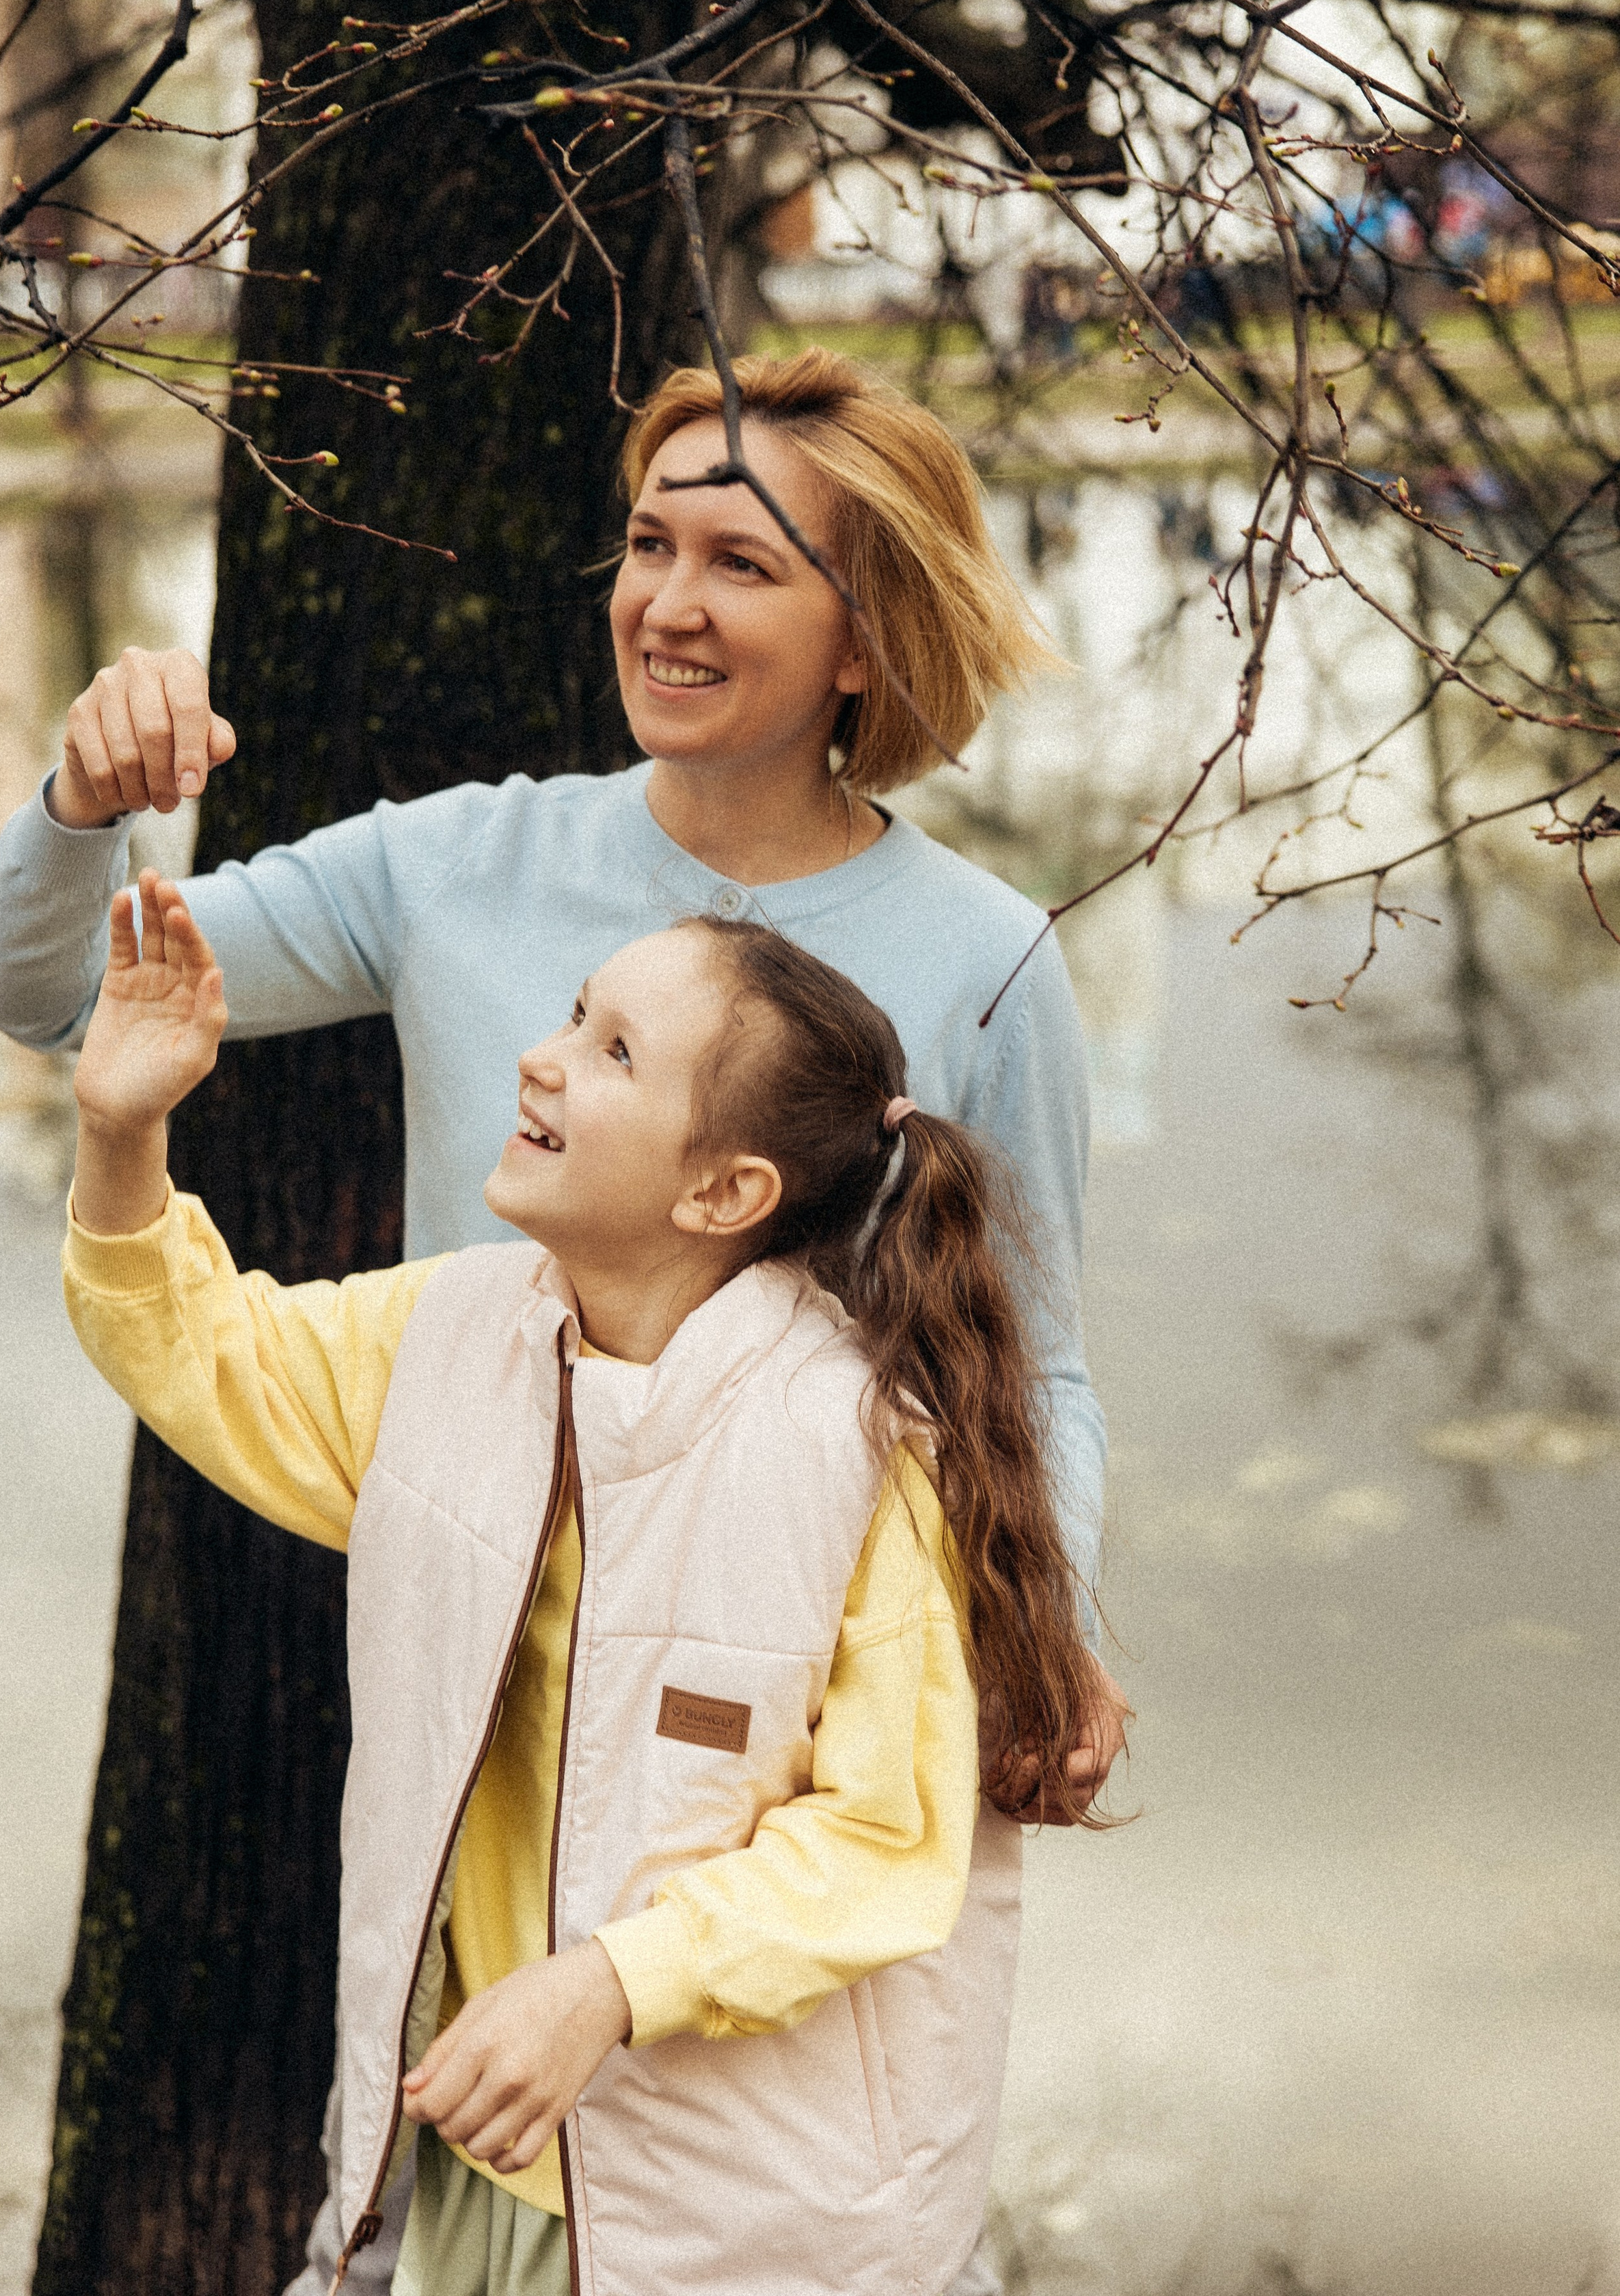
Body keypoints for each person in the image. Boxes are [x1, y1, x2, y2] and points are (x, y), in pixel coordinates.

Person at [0, 345, 1129, 2288]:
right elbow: (66, 996)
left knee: (766, 2161)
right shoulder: (456, 864)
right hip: (484, 1667)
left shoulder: (988, 963)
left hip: (780, 1712)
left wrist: (1049, 1635)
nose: (668, 602)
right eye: (647, 545)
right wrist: (82, 803)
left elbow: (1041, 1357)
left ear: (865, 634)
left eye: (743, 565)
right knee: (490, 2167)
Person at [62, 870, 1114, 2296]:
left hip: (742, 2217)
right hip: (469, 2164)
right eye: (570, 1013)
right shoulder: (447, 1336)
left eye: (612, 1050)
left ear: (723, 1189)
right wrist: (121, 1129)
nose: (537, 1055)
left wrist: (606, 1987)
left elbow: (883, 1844)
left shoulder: (859, 1451)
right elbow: (201, 1350)